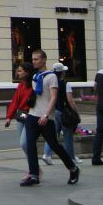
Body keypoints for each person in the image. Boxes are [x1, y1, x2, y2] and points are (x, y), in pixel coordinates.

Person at [21, 49, 80, 186]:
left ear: (44, 60)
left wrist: (46, 115)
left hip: (46, 117)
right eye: (33, 59)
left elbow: (53, 97)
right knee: (30, 145)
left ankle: (73, 168)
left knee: (54, 145)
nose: (34, 62)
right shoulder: (35, 76)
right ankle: (34, 175)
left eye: (36, 59)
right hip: (32, 115)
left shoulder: (51, 77)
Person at [42, 62, 79, 166]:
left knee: (52, 135)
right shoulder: (65, 84)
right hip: (64, 112)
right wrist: (76, 112)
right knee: (68, 135)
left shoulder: (50, 82)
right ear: (62, 72)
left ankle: (46, 154)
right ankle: (71, 157)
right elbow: (70, 100)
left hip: (52, 112)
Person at [4, 62, 35, 168]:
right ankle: (33, 168)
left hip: (31, 116)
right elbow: (15, 102)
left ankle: (34, 167)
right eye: (18, 71)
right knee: (25, 145)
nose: (18, 73)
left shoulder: (34, 85)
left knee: (24, 143)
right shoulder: (21, 85)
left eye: (20, 71)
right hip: (21, 116)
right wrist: (9, 117)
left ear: (27, 73)